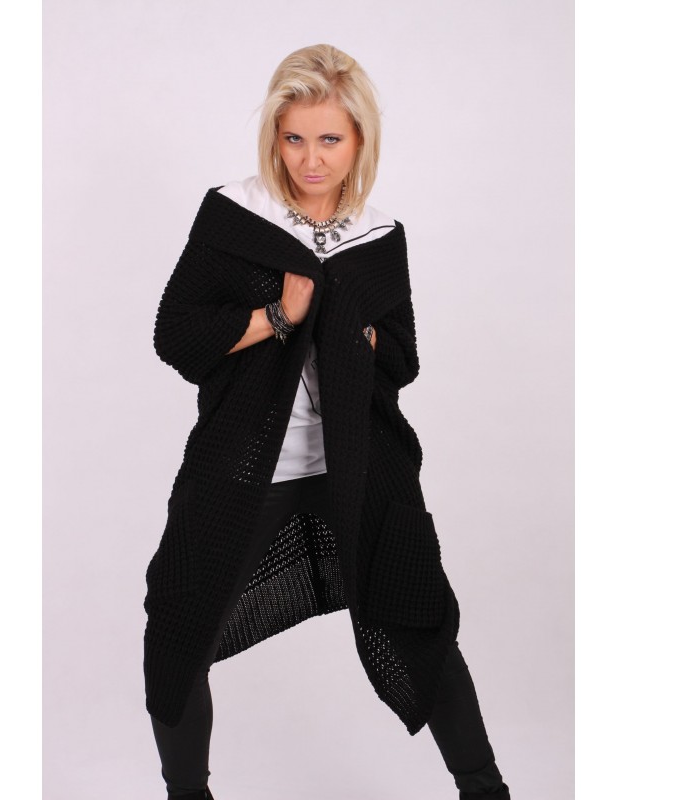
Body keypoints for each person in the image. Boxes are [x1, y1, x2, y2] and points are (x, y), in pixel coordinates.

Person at [144, 44, 512, 800]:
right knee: (177, 631)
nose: (311, 160)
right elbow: (176, 336)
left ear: (359, 140)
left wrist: (353, 327)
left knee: (421, 624)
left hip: (363, 464)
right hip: (245, 469)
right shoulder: (233, 216)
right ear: (274, 137)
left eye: (330, 140)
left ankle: (486, 791)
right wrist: (280, 313)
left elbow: (402, 360)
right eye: (294, 138)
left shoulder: (379, 236)